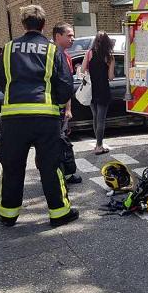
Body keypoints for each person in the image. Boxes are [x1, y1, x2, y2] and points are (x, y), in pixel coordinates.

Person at [0, 4, 78, 227]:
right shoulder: (53, 51)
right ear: (43, 25)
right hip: (45, 118)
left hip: (13, 119)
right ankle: (59, 213)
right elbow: (65, 85)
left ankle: (8, 214)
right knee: (50, 166)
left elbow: (3, 84)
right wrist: (56, 103)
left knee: (12, 166)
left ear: (23, 24)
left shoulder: (8, 48)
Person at [52, 22, 82, 184]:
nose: (73, 38)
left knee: (63, 142)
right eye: (69, 35)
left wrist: (68, 109)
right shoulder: (50, 55)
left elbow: (67, 85)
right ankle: (57, 175)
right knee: (56, 143)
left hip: (61, 110)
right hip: (50, 110)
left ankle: (67, 173)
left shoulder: (67, 57)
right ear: (58, 36)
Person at [82, 31, 115, 155]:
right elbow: (111, 77)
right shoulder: (109, 56)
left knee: (95, 117)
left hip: (92, 90)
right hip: (103, 90)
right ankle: (99, 146)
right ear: (107, 42)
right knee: (101, 119)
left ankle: (97, 144)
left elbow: (83, 70)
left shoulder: (89, 53)